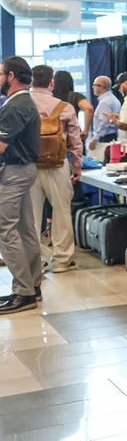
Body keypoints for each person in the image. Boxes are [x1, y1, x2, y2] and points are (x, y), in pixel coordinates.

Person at [29, 65, 83, 274]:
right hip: (57, 165)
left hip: (29, 166)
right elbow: (75, 142)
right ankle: (62, 260)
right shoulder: (65, 107)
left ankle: (35, 262)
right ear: (51, 82)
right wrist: (76, 167)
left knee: (31, 216)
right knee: (61, 212)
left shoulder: (22, 104)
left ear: (31, 81)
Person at [0, 57, 42, 314]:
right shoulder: (22, 102)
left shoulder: (15, 106)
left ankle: (23, 292)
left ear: (11, 76)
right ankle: (32, 285)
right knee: (25, 228)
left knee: (5, 229)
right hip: (23, 170)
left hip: (14, 172)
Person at [53, 70, 93, 144]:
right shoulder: (76, 96)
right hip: (74, 135)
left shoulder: (50, 97)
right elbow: (89, 108)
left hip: (55, 135)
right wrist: (86, 130)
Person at [87, 75, 120, 160]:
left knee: (102, 160)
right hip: (111, 136)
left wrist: (95, 139)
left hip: (105, 138)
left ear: (102, 87)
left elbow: (104, 122)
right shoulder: (113, 99)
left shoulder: (105, 102)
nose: (93, 87)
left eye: (94, 85)